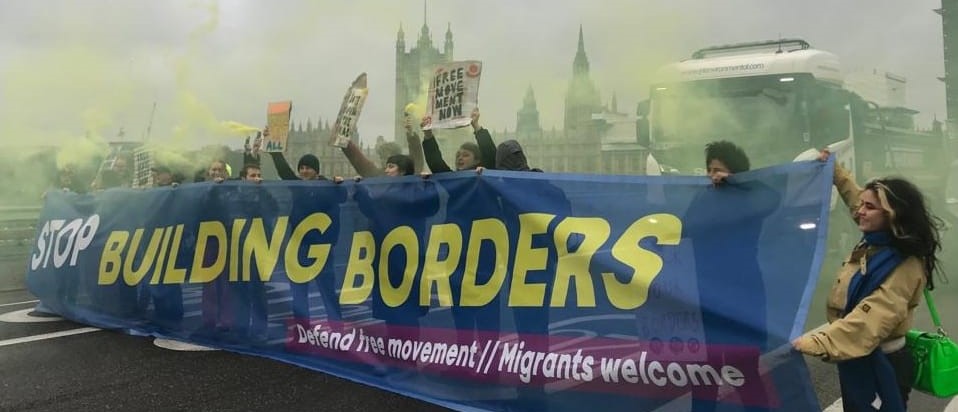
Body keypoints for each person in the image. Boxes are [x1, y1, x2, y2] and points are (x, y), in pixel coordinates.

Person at [793, 149, 943, 412]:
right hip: (860, 354)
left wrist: (814, 342)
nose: (860, 212)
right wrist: (836, 173)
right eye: (861, 204)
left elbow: (868, 321)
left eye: (870, 207)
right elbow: (857, 200)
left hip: (883, 361)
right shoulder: (879, 238)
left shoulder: (904, 262)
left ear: (892, 215)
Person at [686, 140, 777, 411]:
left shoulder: (752, 198)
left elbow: (774, 197)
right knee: (705, 371)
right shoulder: (703, 198)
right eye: (710, 170)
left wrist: (740, 183)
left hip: (742, 296)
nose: (714, 176)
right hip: (705, 297)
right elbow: (683, 227)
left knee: (744, 369)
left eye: (721, 170)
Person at [422, 108, 497, 173]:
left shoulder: (485, 175)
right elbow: (436, 164)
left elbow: (490, 154)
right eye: (458, 155)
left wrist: (476, 125)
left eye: (465, 155)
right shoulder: (453, 180)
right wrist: (428, 134)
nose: (460, 158)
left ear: (477, 160)